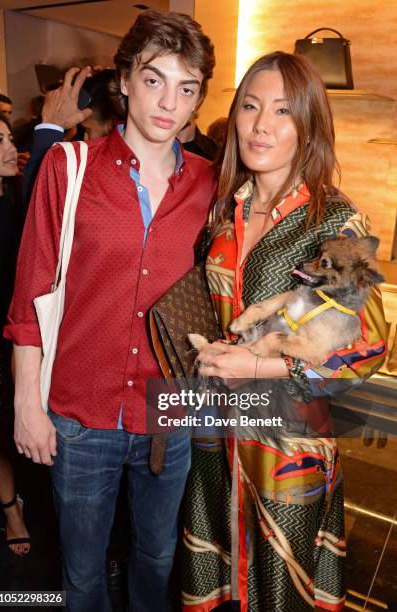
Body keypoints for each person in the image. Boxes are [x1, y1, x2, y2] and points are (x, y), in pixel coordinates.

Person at [5, 10, 216, 612]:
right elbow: (30, 296)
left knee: (157, 559)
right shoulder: (67, 169)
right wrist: (26, 405)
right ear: (124, 80)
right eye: (154, 80)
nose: (168, 102)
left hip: (168, 413)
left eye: (186, 86)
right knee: (82, 571)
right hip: (79, 410)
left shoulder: (211, 183)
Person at [181, 51, 387, 611]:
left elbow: (367, 346)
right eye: (250, 107)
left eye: (282, 111)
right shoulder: (227, 209)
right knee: (216, 572)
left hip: (289, 439)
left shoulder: (337, 220)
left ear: (309, 125)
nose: (261, 125)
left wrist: (262, 366)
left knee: (280, 587)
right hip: (214, 432)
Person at [0, 111, 30, 555]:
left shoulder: (22, 196)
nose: (8, 150)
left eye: (7, 138)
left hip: (21, 333)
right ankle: (10, 510)